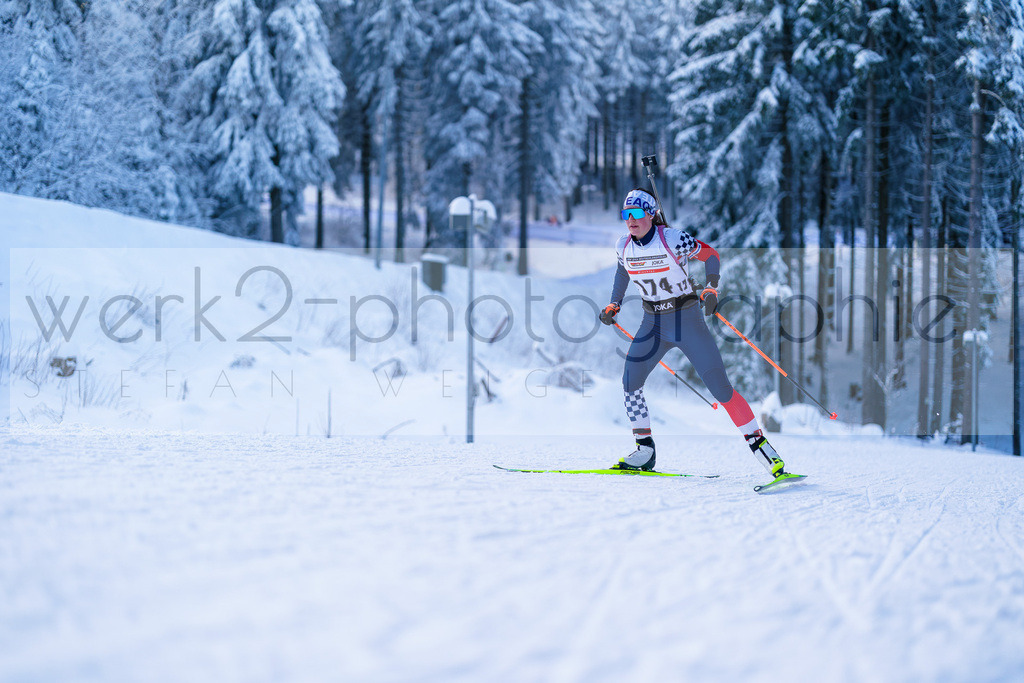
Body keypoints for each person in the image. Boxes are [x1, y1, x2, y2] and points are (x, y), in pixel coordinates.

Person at [598, 187, 786, 478]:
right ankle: (644, 450)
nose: (630, 220)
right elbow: (623, 272)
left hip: (687, 319)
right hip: (652, 323)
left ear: (651, 213)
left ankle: (762, 448)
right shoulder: (623, 246)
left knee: (721, 389)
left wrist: (712, 286)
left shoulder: (673, 238)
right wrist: (614, 303)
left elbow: (711, 255)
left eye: (636, 213)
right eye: (626, 214)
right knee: (630, 382)